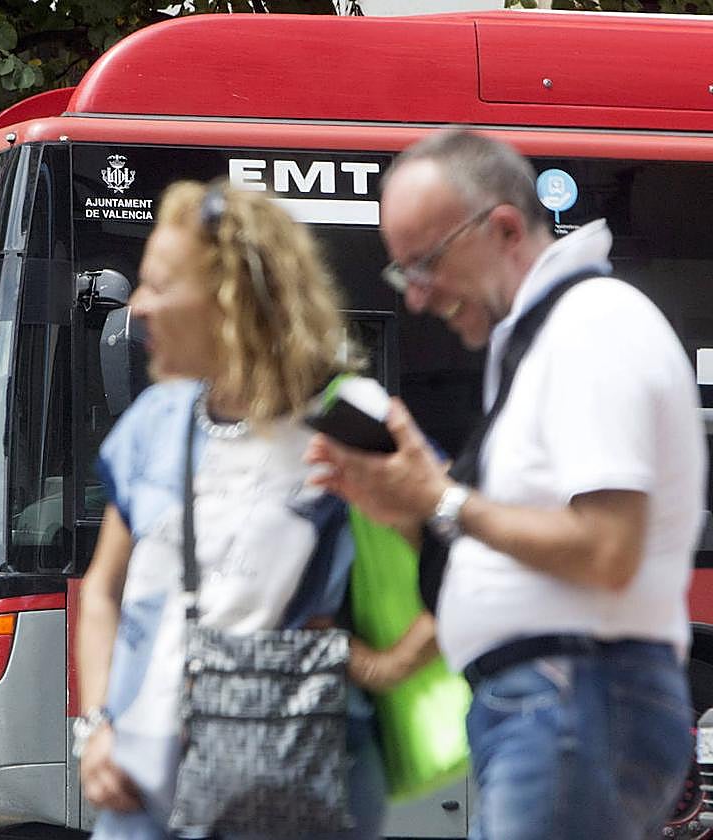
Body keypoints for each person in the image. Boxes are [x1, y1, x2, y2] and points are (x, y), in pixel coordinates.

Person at [307, 129, 706, 839]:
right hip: (554, 703)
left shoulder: (591, 327)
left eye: (423, 265)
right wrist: (406, 507)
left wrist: (441, 498)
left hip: (569, 699)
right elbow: (522, 536)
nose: (419, 300)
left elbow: (608, 549)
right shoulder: (544, 340)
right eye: (405, 276)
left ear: (503, 228)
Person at [75, 180, 432, 840]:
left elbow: (456, 554)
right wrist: (97, 727)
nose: (139, 308)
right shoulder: (153, 422)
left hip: (287, 788)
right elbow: (102, 591)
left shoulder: (350, 421)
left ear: (228, 299)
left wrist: (387, 664)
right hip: (138, 798)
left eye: (157, 285)